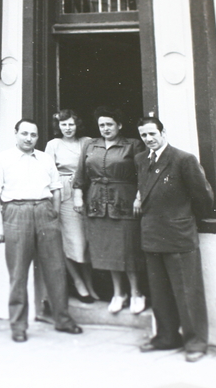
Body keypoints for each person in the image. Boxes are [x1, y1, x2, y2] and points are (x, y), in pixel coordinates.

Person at [0, 119, 83, 342]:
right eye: (25, 134)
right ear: (16, 133)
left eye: (33, 135)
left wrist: (54, 214)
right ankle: (18, 325)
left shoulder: (45, 159)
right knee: (18, 272)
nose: (29, 138)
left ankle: (63, 319)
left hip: (45, 211)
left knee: (56, 269)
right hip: (16, 212)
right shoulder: (2, 159)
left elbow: (56, 189)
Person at [133, 115, 214, 362]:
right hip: (152, 235)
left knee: (187, 292)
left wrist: (185, 222)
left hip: (179, 236)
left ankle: (196, 342)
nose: (148, 139)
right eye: (144, 135)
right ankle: (166, 337)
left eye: (152, 134)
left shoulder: (183, 160)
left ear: (163, 133)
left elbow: (203, 199)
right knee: (159, 293)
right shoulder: (140, 160)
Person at [72, 106, 146, 314]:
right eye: (102, 125)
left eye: (109, 124)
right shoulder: (90, 145)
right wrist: (78, 195)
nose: (105, 128)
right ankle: (118, 294)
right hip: (96, 202)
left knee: (129, 251)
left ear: (119, 126)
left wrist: (139, 197)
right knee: (109, 252)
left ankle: (136, 293)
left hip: (124, 201)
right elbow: (80, 174)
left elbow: (143, 175)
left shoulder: (133, 145)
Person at [44, 109, 98, 302]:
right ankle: (78, 282)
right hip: (64, 194)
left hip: (88, 192)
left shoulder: (87, 142)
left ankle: (89, 284)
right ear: (58, 126)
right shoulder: (53, 145)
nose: (67, 128)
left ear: (78, 125)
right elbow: (47, 173)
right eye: (64, 124)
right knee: (73, 240)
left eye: (71, 124)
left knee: (89, 242)